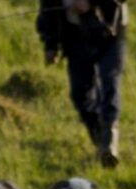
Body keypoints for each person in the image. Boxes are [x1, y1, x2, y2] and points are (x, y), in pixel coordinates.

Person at [36, 0, 128, 168]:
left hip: (110, 30)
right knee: (80, 94)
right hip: (75, 35)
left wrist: (90, 3)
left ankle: (109, 145)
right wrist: (51, 44)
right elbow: (47, 7)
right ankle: (101, 142)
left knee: (110, 83)